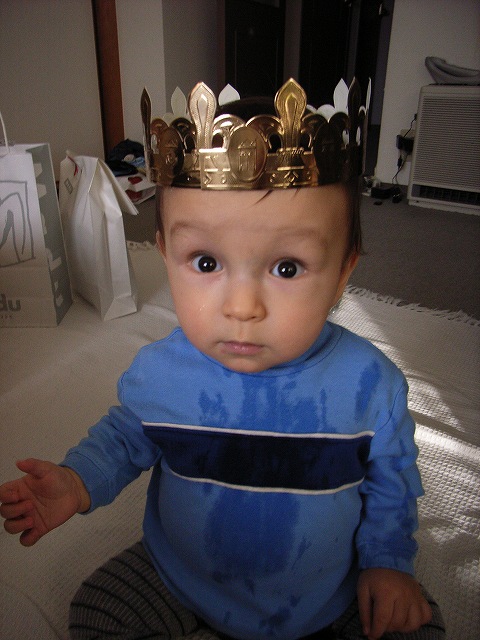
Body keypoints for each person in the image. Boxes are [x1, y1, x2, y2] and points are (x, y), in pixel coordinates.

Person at [0, 79, 444, 640]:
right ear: (165, 254)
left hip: (328, 590)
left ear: (343, 272)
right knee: (96, 612)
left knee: (418, 626)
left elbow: (392, 483)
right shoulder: (161, 374)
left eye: (287, 268)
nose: (241, 307)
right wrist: (75, 480)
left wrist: (387, 562)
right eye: (206, 263)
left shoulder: (369, 386)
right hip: (183, 574)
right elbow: (124, 439)